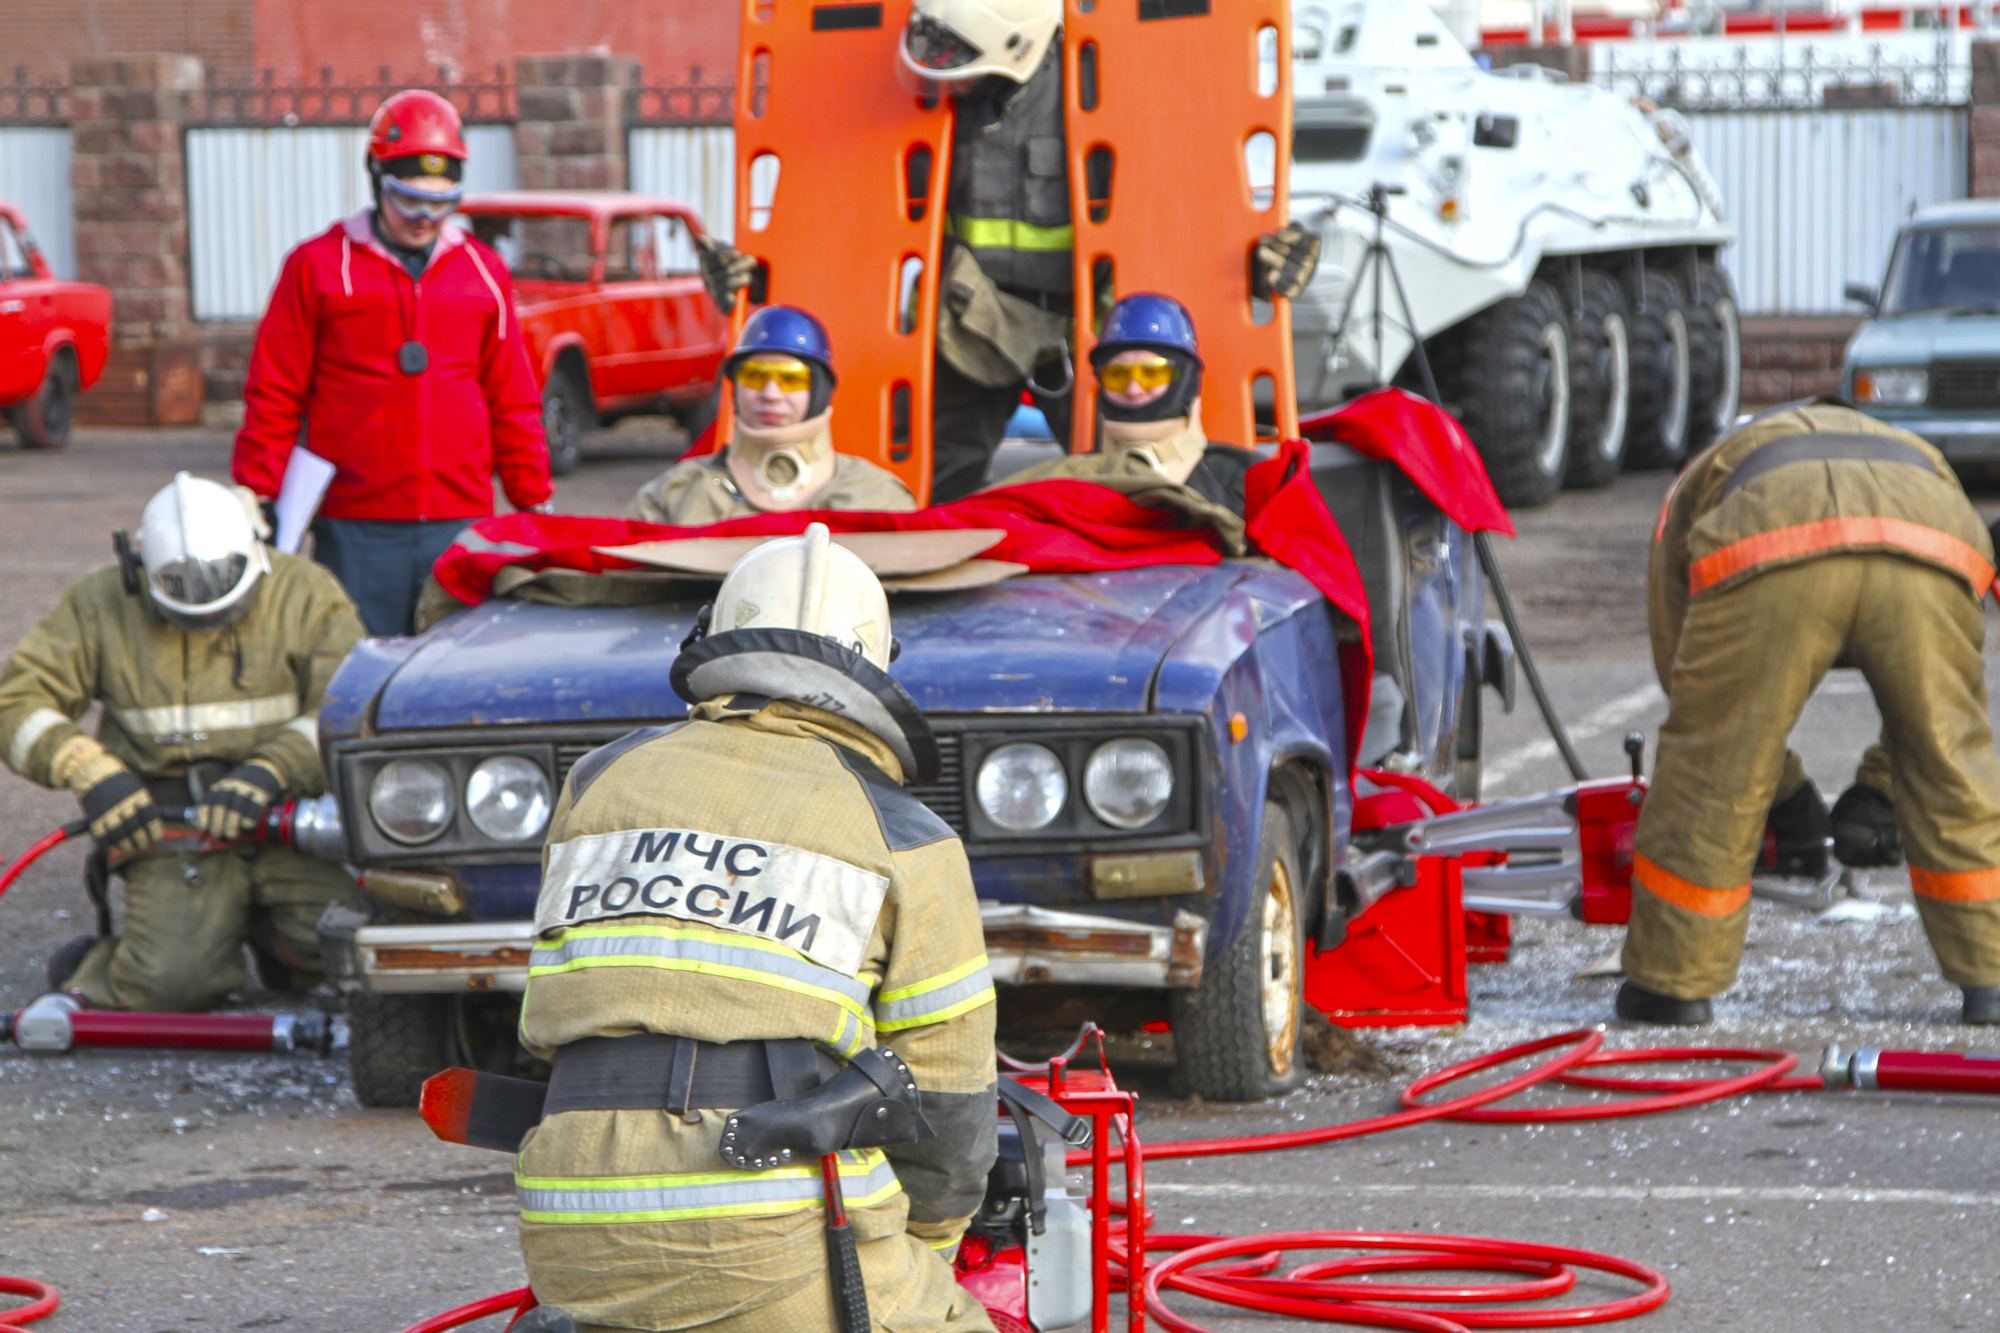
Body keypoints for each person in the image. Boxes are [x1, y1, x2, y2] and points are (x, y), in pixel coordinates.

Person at [509, 523, 998, 1333]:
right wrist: (925, 1248)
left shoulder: (598, 779)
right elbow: (948, 1103)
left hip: (569, 1213)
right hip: (772, 1222)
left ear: (712, 635)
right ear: (875, 668)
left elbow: (559, 1013)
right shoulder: (904, 832)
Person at [694, 0, 1319, 504]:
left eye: (962, 64)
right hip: (974, 320)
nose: (949, 76)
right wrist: (764, 284)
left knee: (1136, 480)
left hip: (1095, 324)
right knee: (928, 488)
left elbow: (1181, 204)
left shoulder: (1110, 84)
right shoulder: (927, 106)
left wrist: (1259, 264)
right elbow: (849, 211)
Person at [1621, 400, 2000, 1027]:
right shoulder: (1914, 452)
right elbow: (1949, 700)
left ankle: (1672, 984)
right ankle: (1992, 976)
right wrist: (1883, 788)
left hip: (1770, 543)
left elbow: (1686, 674)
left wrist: (1783, 794)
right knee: (1949, 754)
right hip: (1930, 538)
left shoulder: (1705, 471)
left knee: (1712, 767)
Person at [0, 474, 367, 1011]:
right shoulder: (99, 604)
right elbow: (16, 703)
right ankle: (95, 965)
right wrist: (91, 771)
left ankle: (279, 943)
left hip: (283, 822)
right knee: (172, 984)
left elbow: (350, 706)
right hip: (169, 829)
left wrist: (270, 770)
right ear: (137, 570)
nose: (205, 613)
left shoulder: (305, 593)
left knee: (354, 954)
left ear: (257, 555)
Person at [232, 89, 552, 638]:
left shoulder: (484, 272)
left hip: (459, 519)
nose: (425, 217)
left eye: (443, 201)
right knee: (354, 669)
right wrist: (255, 487)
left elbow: (512, 395)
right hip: (354, 523)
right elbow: (275, 388)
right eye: (408, 199)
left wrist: (533, 496)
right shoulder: (316, 267)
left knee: (450, 674)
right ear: (376, 180)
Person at [989, 293, 1253, 556]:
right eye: (1118, 375)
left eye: (1151, 373)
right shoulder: (1072, 479)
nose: (1134, 390)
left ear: (1186, 380)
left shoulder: (1245, 478)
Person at [628, 306, 916, 523]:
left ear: (820, 391)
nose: (770, 394)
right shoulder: (676, 494)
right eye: (754, 377)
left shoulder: (877, 497)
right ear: (735, 388)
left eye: (791, 380)